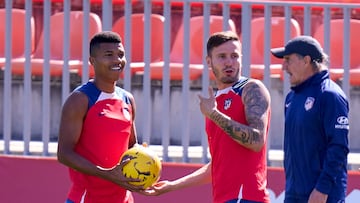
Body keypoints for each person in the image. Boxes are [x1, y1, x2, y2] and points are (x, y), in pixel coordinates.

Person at [142, 31, 271, 203]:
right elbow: (218, 166)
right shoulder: (214, 102)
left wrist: (215, 115)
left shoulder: (251, 88)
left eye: (234, 56)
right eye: (222, 56)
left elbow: (256, 140)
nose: (229, 62)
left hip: (246, 197)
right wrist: (172, 186)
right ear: (209, 61)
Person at [57, 31, 143, 203]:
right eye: (108, 55)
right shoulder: (79, 100)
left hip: (123, 199)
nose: (117, 60)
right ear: (92, 61)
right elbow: (64, 154)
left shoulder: (127, 99)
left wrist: (144, 157)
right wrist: (107, 174)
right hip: (87, 198)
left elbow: (132, 146)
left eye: (120, 55)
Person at [271, 35, 350, 203]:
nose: (283, 66)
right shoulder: (291, 97)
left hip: (323, 196)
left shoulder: (330, 96)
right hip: (294, 193)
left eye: (288, 60)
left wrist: (322, 189)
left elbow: (339, 148)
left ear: (306, 61)